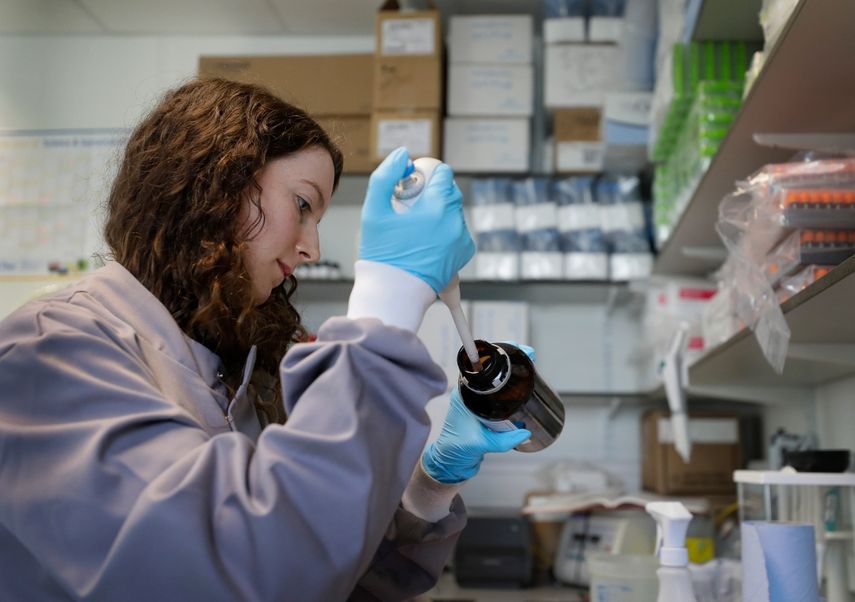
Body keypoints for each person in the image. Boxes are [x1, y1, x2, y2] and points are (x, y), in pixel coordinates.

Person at [0, 77, 533, 601]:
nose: (313, 248)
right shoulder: (48, 352)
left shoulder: (234, 370)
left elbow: (332, 575)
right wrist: (388, 305)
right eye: (303, 205)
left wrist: (430, 486)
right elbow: (244, 571)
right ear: (209, 183)